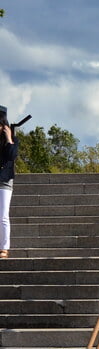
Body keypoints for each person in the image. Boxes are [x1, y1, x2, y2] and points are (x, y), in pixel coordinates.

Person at [0, 106, 18, 260]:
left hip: (4, 181)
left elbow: (12, 156)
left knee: (3, 216)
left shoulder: (11, 141)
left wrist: (9, 139)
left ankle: (4, 248)